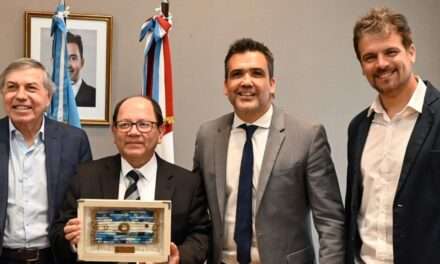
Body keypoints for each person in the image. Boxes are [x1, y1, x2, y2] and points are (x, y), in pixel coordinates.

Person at [193, 38, 345, 264]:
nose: (246, 82)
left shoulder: (307, 136)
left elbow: (330, 220)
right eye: (237, 74)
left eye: (256, 73)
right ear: (225, 86)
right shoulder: (207, 136)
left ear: (272, 84)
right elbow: (196, 214)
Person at [49, 96, 210, 264]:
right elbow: (58, 232)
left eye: (144, 124)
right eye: (124, 124)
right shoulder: (85, 176)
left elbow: (200, 234)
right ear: (114, 132)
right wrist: (71, 239)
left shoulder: (187, 183)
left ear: (161, 132)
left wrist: (179, 257)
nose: (133, 132)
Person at [345, 7, 440, 264]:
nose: (382, 64)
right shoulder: (358, 128)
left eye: (390, 52)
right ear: (362, 65)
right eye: (370, 57)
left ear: (411, 52)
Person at [0, 58, 92, 263]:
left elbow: (83, 200)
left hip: (55, 256)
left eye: (31, 88)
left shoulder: (74, 141)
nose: (20, 96)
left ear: (48, 97)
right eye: (12, 87)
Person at [67, 31, 96, 107]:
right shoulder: (48, 95)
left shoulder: (94, 95)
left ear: (82, 62)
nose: (68, 64)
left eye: (73, 58)